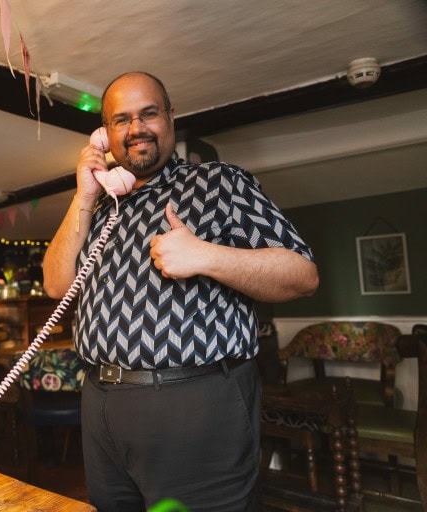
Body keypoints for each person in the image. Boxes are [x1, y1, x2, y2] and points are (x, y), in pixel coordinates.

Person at [42, 72, 318, 512]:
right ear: (104, 135)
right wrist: (84, 196)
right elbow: (56, 283)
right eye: (121, 120)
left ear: (170, 117)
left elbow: (302, 275)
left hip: (195, 404)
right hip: (100, 404)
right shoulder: (99, 205)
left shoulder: (221, 183)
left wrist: (205, 256)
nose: (136, 129)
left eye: (148, 113)